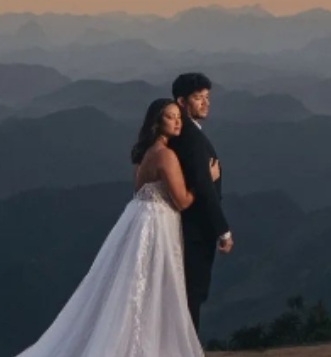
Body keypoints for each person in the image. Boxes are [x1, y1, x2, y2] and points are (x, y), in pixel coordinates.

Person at [14, 98, 218, 356]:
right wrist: (205, 181)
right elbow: (181, 201)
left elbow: (139, 189)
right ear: (157, 123)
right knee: (156, 282)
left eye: (179, 116)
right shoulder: (166, 155)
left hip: (137, 218)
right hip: (158, 223)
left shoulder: (144, 153)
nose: (178, 121)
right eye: (170, 116)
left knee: (132, 283)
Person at [168, 72, 232, 334]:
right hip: (195, 231)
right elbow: (204, 189)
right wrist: (223, 230)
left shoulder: (183, 133)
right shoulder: (192, 139)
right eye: (198, 98)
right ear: (182, 102)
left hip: (188, 228)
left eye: (207, 97)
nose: (206, 103)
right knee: (193, 294)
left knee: (190, 294)